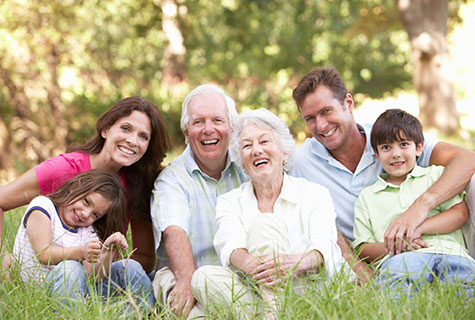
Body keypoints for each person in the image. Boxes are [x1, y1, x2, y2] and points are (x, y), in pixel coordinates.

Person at [291, 67, 475, 274]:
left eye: (326, 111)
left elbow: (467, 159)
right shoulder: (298, 160)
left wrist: (419, 208)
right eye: (310, 118)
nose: (321, 125)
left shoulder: (391, 139)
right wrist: (355, 265)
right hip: (378, 256)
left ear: (348, 104)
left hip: (436, 245)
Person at [1, 96, 169, 305]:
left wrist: (106, 256)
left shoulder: (137, 184)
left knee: (133, 271)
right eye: (126, 128)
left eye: (143, 136)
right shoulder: (64, 170)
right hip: (53, 279)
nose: (133, 141)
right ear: (106, 129)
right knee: (69, 268)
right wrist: (3, 261)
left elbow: (143, 257)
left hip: (94, 279)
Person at [192, 108, 352, 318]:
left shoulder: (314, 194)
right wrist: (260, 267)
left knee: (263, 225)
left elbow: (324, 247)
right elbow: (230, 247)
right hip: (257, 290)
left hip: (310, 291)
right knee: (203, 278)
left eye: (264, 141)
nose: (256, 150)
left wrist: (294, 264)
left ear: (285, 152)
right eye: (247, 145)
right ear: (243, 162)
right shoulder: (229, 201)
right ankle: (276, 313)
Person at [352, 109, 475, 297]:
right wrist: (396, 245)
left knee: (466, 288)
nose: (395, 154)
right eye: (386, 147)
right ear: (376, 154)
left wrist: (418, 228)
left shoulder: (435, 176)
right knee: (397, 292)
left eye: (403, 144)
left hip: (450, 253)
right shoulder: (368, 197)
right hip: (399, 258)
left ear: (418, 148)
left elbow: (460, 214)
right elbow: (362, 248)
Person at [150, 84, 247, 318]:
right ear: (186, 132)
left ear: (231, 128)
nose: (208, 129)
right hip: (184, 274)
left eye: (217, 120)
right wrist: (187, 280)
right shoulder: (172, 179)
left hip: (240, 276)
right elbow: (174, 231)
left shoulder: (248, 167)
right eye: (198, 122)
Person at [13, 170, 131, 300]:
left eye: (95, 215)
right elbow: (43, 254)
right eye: (86, 202)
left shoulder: (87, 230)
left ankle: (142, 312)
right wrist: (82, 252)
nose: (85, 214)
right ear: (74, 187)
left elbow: (92, 276)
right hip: (36, 292)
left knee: (129, 267)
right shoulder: (43, 207)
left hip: (71, 292)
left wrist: (109, 249)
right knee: (70, 268)